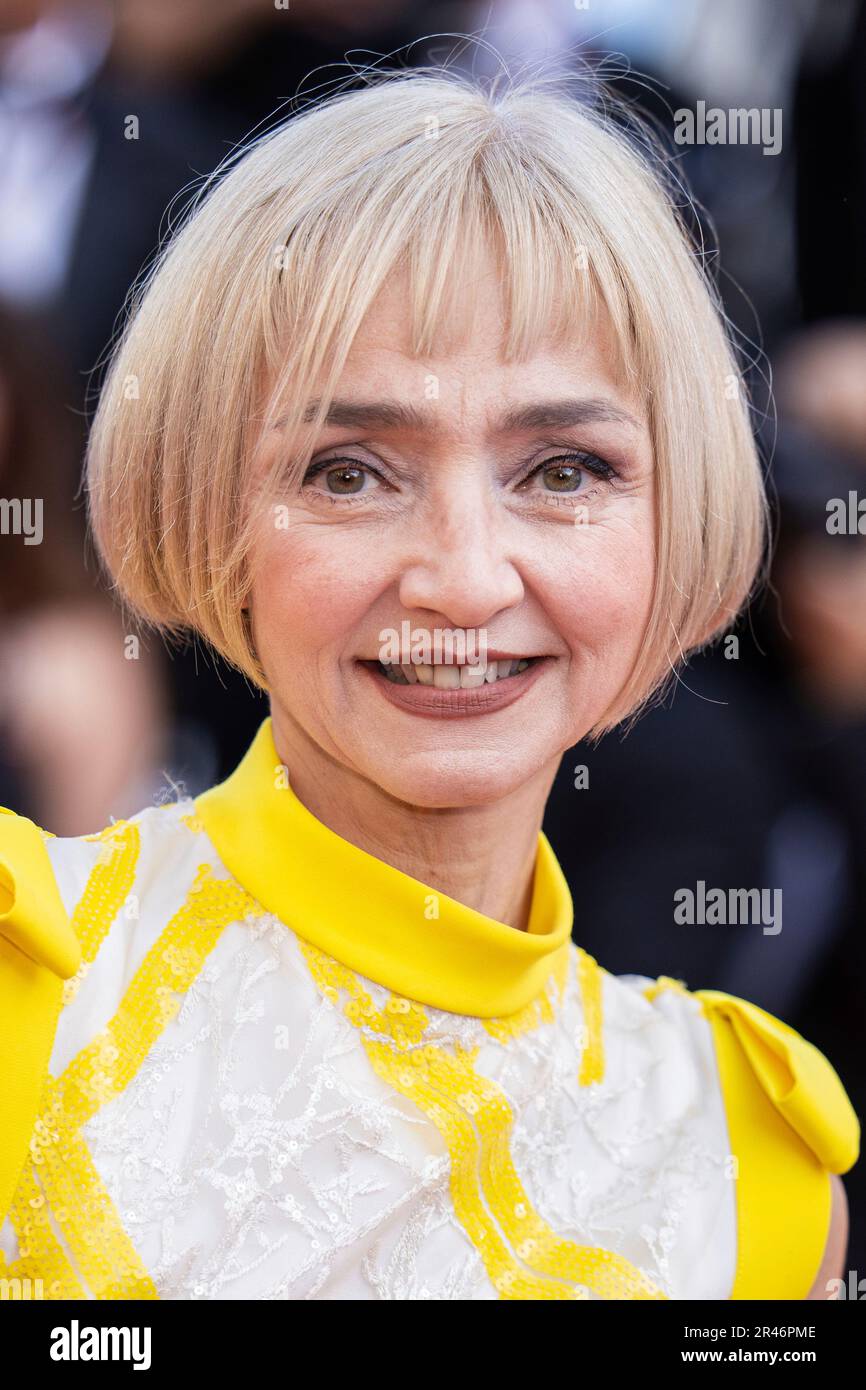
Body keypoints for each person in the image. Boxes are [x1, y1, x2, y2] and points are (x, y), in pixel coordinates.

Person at [0, 63, 859, 1301]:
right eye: (349, 470)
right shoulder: (34, 976)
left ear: (681, 514)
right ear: (209, 501)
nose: (461, 576)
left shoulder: (751, 1165)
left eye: (563, 469)